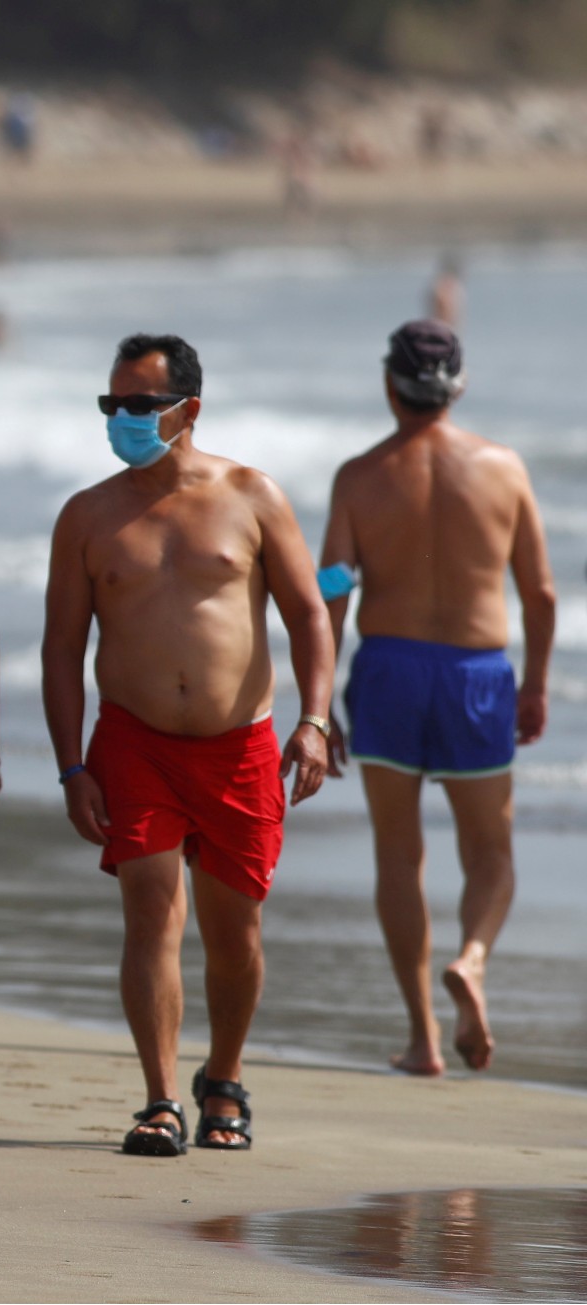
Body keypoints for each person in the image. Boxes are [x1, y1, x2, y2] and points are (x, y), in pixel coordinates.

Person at [42, 333, 333, 1157]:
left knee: (236, 930)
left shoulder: (253, 496)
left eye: (139, 405)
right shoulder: (88, 516)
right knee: (150, 913)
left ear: (187, 410)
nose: (123, 419)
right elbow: (61, 649)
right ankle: (160, 1098)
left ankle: (225, 1078)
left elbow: (309, 613)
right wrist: (72, 766)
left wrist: (314, 720)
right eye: (112, 405)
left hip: (239, 743)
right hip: (133, 741)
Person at [319, 320, 555, 1076]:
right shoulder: (503, 468)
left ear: (389, 385)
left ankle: (423, 1038)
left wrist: (317, 702)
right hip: (477, 675)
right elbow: (542, 594)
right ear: (459, 387)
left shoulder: (357, 477)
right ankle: (475, 959)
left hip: (388, 670)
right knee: (490, 850)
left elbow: (331, 592)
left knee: (399, 853)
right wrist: (537, 683)